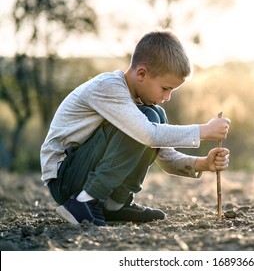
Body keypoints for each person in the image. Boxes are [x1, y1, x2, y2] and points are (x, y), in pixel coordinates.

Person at [40, 30, 231, 226]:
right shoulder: (109, 87)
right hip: (65, 177)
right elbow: (149, 135)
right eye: (165, 88)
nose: (167, 97)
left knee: (154, 115)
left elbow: (165, 157)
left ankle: (115, 205)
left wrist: (203, 163)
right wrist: (203, 130)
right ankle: (83, 202)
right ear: (141, 73)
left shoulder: (142, 106)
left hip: (81, 172)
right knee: (147, 120)